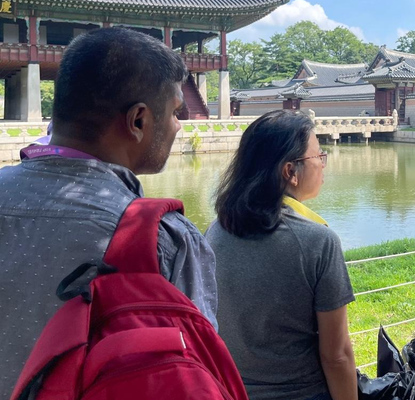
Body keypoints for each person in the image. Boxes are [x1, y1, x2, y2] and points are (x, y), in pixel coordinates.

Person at [0, 27, 218, 394]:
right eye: (176, 112)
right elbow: (199, 369)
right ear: (138, 121)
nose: (180, 125)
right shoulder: (165, 237)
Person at [207, 110, 356, 400]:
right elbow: (336, 356)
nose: (323, 166)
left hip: (229, 390)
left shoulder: (217, 229)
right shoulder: (318, 242)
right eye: (318, 157)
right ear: (291, 171)